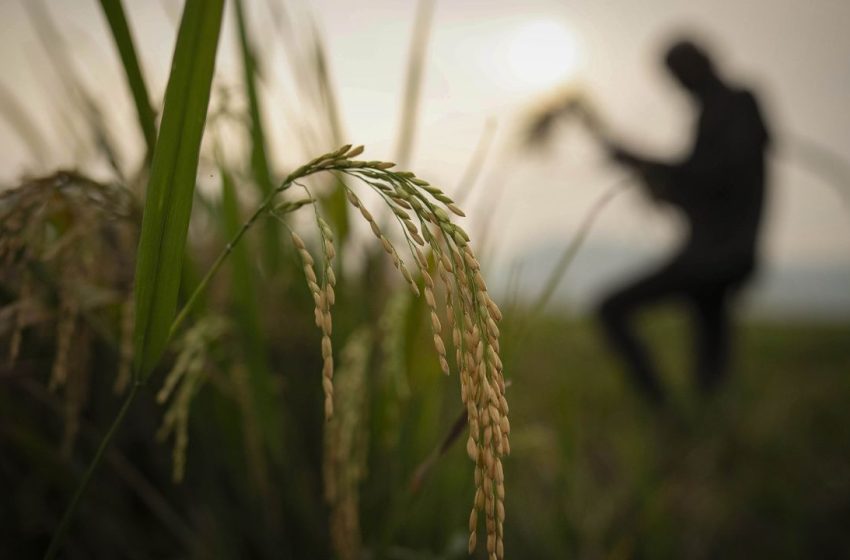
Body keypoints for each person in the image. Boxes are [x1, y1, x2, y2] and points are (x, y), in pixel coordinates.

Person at [597, 38, 771, 406]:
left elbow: (716, 179)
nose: (679, 85)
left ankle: (663, 410)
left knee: (612, 309)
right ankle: (704, 423)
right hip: (714, 251)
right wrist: (652, 177)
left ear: (704, 62)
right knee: (710, 339)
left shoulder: (737, 105)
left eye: (680, 73)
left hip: (718, 254)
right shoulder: (715, 113)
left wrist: (644, 163)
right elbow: (695, 193)